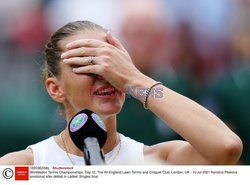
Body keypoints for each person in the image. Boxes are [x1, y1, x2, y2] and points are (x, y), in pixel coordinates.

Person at [0, 21, 243, 165]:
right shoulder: (26, 166)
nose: (104, 74)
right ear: (55, 89)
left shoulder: (154, 160)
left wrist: (134, 79)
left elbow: (226, 147)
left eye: (111, 63)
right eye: (86, 64)